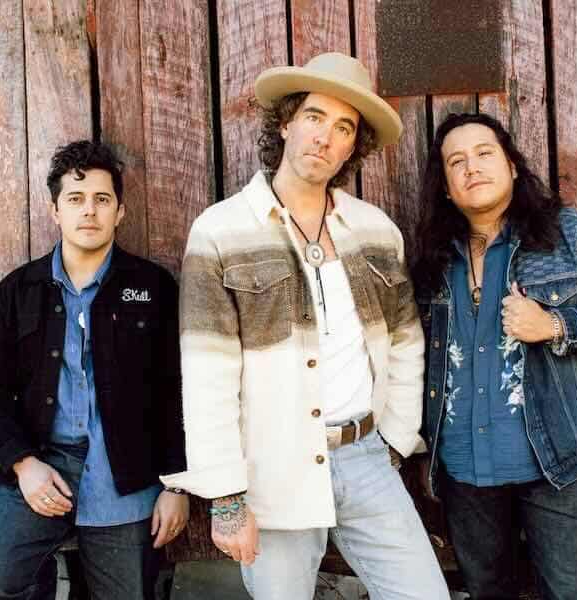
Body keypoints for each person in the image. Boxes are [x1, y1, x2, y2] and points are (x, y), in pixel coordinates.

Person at [161, 52, 449, 599]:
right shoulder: (221, 230)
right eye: (315, 117)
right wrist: (226, 499)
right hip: (272, 464)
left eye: (344, 128)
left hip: (367, 456)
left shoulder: (375, 230)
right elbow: (207, 376)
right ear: (287, 123)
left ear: (352, 147)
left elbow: (408, 343)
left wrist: (394, 439)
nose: (325, 137)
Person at [412, 112, 577, 599]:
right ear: (444, 186)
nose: (471, 167)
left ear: (513, 165)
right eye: (455, 161)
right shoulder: (433, 257)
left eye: (484, 153)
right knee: (487, 590)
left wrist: (555, 324)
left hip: (557, 462)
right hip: (464, 469)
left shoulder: (573, 235)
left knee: (575, 593)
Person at [0, 141, 188, 600]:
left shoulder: (152, 287)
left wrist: (177, 485)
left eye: (102, 200)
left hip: (126, 471)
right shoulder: (18, 291)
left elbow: (176, 392)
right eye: (75, 200)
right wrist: (23, 464)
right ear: (54, 210)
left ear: (119, 212)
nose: (90, 212)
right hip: (43, 462)